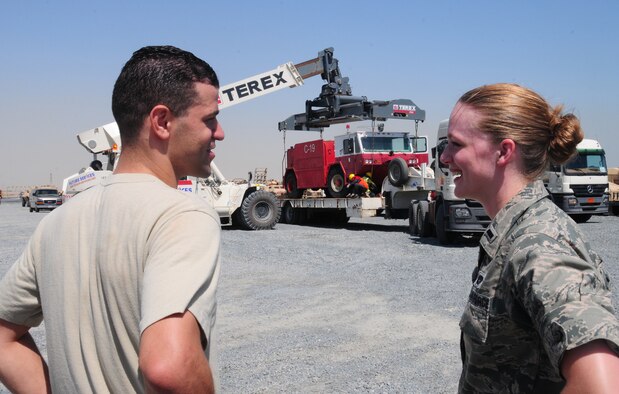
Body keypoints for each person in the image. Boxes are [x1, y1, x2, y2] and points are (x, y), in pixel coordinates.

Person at [0, 46, 225, 393]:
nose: (220, 132)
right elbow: (169, 367)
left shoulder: (55, 225)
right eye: (209, 119)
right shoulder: (183, 215)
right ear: (162, 122)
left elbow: (2, 338)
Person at [441, 83, 619, 393]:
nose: (444, 157)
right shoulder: (514, 232)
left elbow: (601, 385)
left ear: (504, 151)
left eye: (456, 144)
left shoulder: (538, 243)